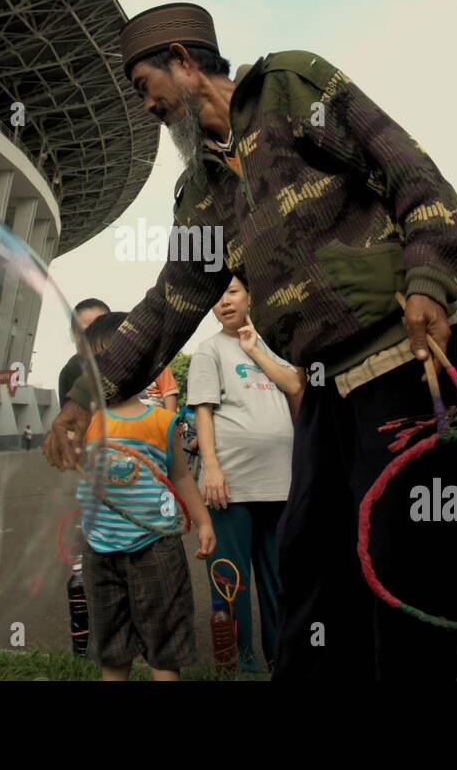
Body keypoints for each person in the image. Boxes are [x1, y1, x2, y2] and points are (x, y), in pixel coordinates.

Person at [44, 2, 457, 681]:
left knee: (406, 569)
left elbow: (412, 177)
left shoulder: (290, 87)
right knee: (309, 568)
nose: (146, 106)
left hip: (400, 363)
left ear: (184, 63)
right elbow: (167, 307)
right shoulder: (204, 192)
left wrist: (428, 281)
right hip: (324, 391)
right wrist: (83, 396)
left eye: (143, 86)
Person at [75, 312, 214, 681]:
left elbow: (181, 477)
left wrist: (203, 520)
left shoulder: (160, 422)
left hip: (156, 546)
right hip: (99, 549)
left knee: (165, 647)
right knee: (112, 648)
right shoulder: (83, 422)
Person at [188, 271, 303, 672]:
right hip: (230, 486)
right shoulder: (209, 351)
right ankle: (240, 661)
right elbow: (202, 411)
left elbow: (294, 386)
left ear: (251, 297)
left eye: (233, 292)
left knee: (278, 580)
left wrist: (255, 351)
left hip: (278, 483)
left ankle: (279, 658)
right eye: (218, 296)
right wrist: (212, 469)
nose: (225, 301)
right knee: (230, 580)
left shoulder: (270, 346)